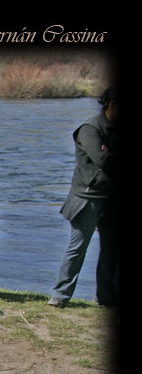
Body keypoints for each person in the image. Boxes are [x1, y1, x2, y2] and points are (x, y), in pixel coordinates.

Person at [49, 86, 118, 308]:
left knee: (111, 249)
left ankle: (107, 299)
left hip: (110, 198)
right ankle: (60, 295)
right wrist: (108, 154)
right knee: (78, 247)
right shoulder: (89, 129)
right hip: (86, 198)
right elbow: (103, 160)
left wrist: (111, 152)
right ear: (112, 104)